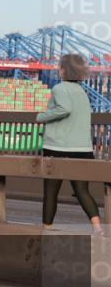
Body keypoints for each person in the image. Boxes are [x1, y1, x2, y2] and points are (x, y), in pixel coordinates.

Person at [37, 54, 104, 236]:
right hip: (83, 149)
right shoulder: (82, 92)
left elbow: (64, 109)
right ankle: (97, 227)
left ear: (64, 70)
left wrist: (41, 116)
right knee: (82, 190)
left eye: (59, 67)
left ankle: (47, 229)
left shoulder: (59, 88)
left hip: (58, 148)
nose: (58, 69)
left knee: (51, 191)